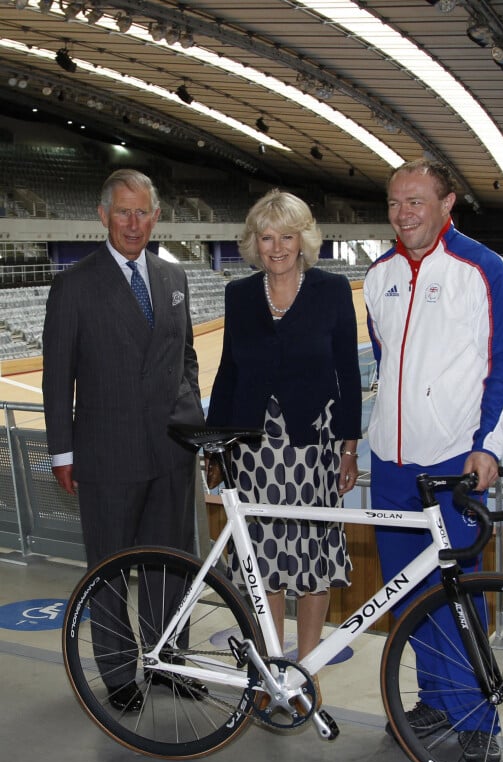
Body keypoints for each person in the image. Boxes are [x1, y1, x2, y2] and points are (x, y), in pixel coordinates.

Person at [364, 159, 503, 762]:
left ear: (446, 201)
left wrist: (488, 444)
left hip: (454, 463)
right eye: (395, 203)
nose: (404, 214)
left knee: (458, 596)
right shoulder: (379, 276)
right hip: (391, 462)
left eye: (416, 202)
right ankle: (434, 701)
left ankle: (478, 721)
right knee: (408, 594)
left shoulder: (481, 269)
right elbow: (386, 359)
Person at [42, 168, 206, 712]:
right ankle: (118, 672)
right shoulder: (75, 284)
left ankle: (168, 662)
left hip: (171, 450)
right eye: (122, 212)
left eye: (143, 212)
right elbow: (56, 374)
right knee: (110, 568)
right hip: (107, 452)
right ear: (102, 216)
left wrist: (192, 422)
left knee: (171, 563)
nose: (133, 223)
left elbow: (186, 357)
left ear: (157, 217)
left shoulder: (173, 277)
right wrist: (63, 452)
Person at [206, 189, 362, 701]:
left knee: (313, 559)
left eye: (287, 236)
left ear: (303, 240)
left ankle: (307, 665)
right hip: (254, 449)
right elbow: (229, 371)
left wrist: (348, 447)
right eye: (267, 237)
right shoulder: (240, 294)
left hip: (313, 446)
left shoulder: (333, 291)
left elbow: (347, 372)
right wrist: (215, 444)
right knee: (266, 560)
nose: (276, 247)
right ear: (255, 242)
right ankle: (274, 665)